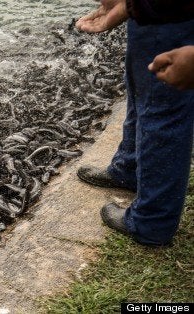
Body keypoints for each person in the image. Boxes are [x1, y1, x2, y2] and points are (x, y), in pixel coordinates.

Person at [74, 0, 194, 246]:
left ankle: (152, 221)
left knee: (161, 112)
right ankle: (128, 168)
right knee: (141, 93)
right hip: (156, 11)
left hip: (174, 13)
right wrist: (129, 5)